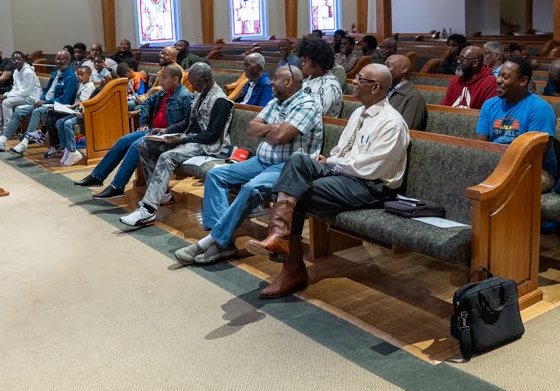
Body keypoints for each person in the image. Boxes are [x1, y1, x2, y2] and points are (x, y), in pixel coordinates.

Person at [244, 63, 410, 298]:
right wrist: (330, 160)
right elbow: (342, 150)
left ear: (375, 87)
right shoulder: (358, 113)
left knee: (294, 192)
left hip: (371, 186)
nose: (353, 81)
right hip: (346, 175)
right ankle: (279, 237)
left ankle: (291, 267)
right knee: (298, 161)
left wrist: (331, 163)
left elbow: (370, 168)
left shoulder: (392, 122)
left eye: (360, 79)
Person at [174, 65, 323, 266]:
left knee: (251, 188)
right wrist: (272, 128)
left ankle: (211, 242)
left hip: (287, 167)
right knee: (216, 175)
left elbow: (281, 136)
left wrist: (269, 131)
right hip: (261, 161)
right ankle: (223, 243)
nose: (271, 81)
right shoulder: (275, 102)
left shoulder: (307, 105)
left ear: (288, 82)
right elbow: (251, 128)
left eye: (275, 78)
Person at [119, 64, 234, 226]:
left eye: (195, 83)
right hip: (192, 139)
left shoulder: (220, 101)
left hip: (210, 146)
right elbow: (187, 123)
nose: (193, 87)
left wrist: (181, 139)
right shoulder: (200, 94)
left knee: (167, 156)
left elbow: (211, 136)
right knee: (145, 145)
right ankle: (162, 195)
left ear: (206, 79)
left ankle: (147, 210)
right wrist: (166, 131)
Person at [74, 65, 193, 199]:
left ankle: (117, 186)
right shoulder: (163, 93)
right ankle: (97, 176)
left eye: (164, 78)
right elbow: (147, 103)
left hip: (168, 136)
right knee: (123, 141)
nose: (160, 81)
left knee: (136, 145)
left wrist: (167, 130)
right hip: (154, 131)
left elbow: (187, 124)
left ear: (175, 79)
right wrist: (143, 122)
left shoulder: (185, 96)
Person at [475, 58, 559, 192]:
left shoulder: (540, 109)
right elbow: (482, 147)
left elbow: (535, 158)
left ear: (523, 81)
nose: (498, 80)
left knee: (512, 185)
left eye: (505, 77)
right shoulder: (489, 105)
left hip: (537, 170)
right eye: (498, 75)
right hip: (497, 164)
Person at [0, 50, 77, 153]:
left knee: (36, 111)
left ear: (68, 60)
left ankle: (24, 143)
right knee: (19, 112)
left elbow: (64, 100)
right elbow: (45, 91)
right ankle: (2, 139)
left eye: (62, 59)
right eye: (57, 59)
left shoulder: (70, 77)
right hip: (45, 102)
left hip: (57, 105)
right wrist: (40, 99)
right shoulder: (55, 74)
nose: (59, 61)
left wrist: (44, 102)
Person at [44, 65, 95, 161]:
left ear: (89, 75)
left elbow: (81, 102)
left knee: (67, 123)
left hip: (82, 114)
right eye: (78, 75)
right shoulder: (81, 84)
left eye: (82, 75)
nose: (79, 77)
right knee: (58, 121)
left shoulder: (90, 87)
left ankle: (72, 150)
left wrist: (70, 107)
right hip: (75, 111)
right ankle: (65, 149)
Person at [0, 51, 41, 137]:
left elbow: (25, 91)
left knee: (6, 102)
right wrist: (6, 95)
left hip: (33, 97)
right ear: (11, 61)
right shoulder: (16, 71)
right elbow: (15, 88)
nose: (16, 61)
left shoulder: (28, 72)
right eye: (14, 60)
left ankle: (9, 131)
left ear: (23, 59)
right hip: (23, 95)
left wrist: (6, 96)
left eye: (19, 59)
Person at [296, 36, 343, 117]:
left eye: (305, 60)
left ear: (317, 62)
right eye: (302, 60)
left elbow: (313, 114)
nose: (302, 64)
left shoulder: (330, 86)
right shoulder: (307, 81)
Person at [385, 54, 427, 130]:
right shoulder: (383, 90)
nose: (384, 70)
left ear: (403, 69)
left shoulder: (414, 98)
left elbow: (406, 131)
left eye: (389, 66)